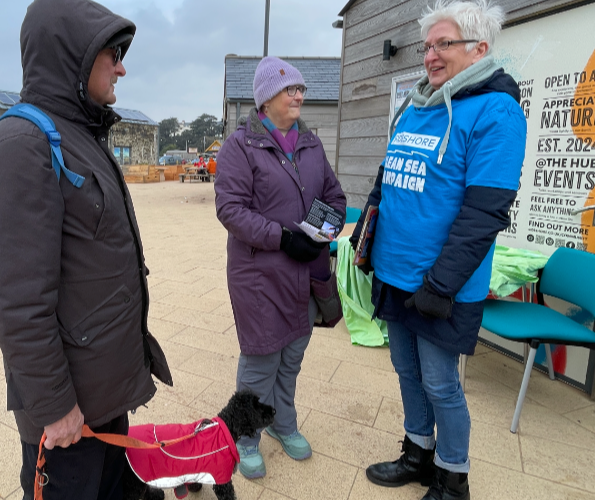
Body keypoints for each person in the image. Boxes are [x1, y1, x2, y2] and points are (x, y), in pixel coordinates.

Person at [0, 1, 172, 499]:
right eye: (113, 52)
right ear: (74, 57)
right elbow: (16, 299)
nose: (122, 66)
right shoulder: (23, 145)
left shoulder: (80, 133)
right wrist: (54, 403)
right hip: (69, 417)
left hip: (103, 394)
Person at [352, 2, 526, 499]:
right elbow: (388, 181)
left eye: (442, 44)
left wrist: (441, 284)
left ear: (479, 49)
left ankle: (453, 476)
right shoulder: (417, 104)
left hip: (441, 285)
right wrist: (364, 241)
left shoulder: (497, 111)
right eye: (428, 46)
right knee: (406, 371)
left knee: (441, 383)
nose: (430, 55)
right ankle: (417, 452)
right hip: (394, 272)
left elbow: (484, 212)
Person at [215, 56, 347, 479]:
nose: (299, 96)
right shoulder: (240, 146)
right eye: (290, 89)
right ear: (266, 96)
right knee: (261, 359)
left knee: (292, 355)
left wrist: (320, 233)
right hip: (260, 275)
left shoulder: (310, 143)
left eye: (301, 89)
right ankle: (246, 434)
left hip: (306, 273)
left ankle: (282, 423)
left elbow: (336, 198)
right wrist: (283, 237)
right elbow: (230, 209)